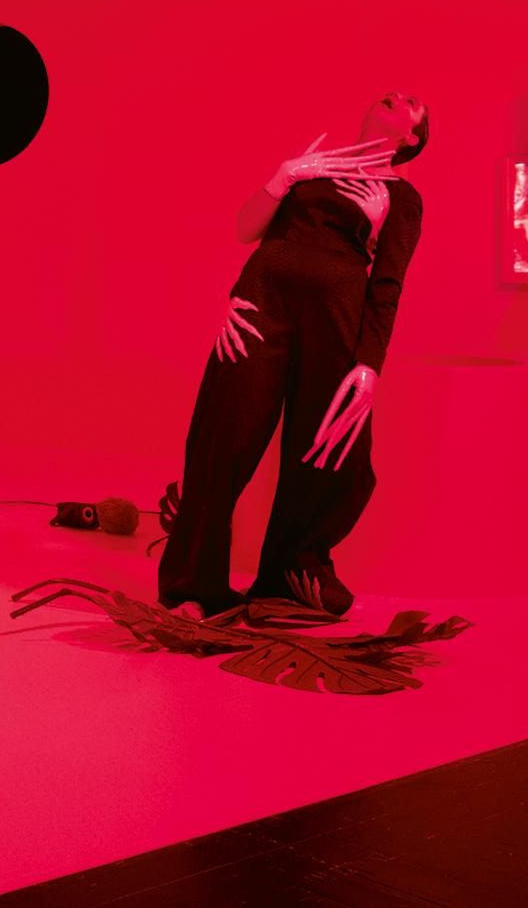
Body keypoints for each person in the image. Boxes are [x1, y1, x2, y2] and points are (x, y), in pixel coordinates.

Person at [158, 92, 429, 617]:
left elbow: (387, 285)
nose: (397, 94)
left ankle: (289, 570)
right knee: (224, 435)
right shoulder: (311, 167)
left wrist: (370, 364)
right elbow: (246, 230)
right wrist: (285, 175)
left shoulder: (402, 197)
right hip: (262, 306)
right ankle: (194, 583)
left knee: (326, 445)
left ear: (410, 138)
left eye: (412, 103)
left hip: (338, 323)